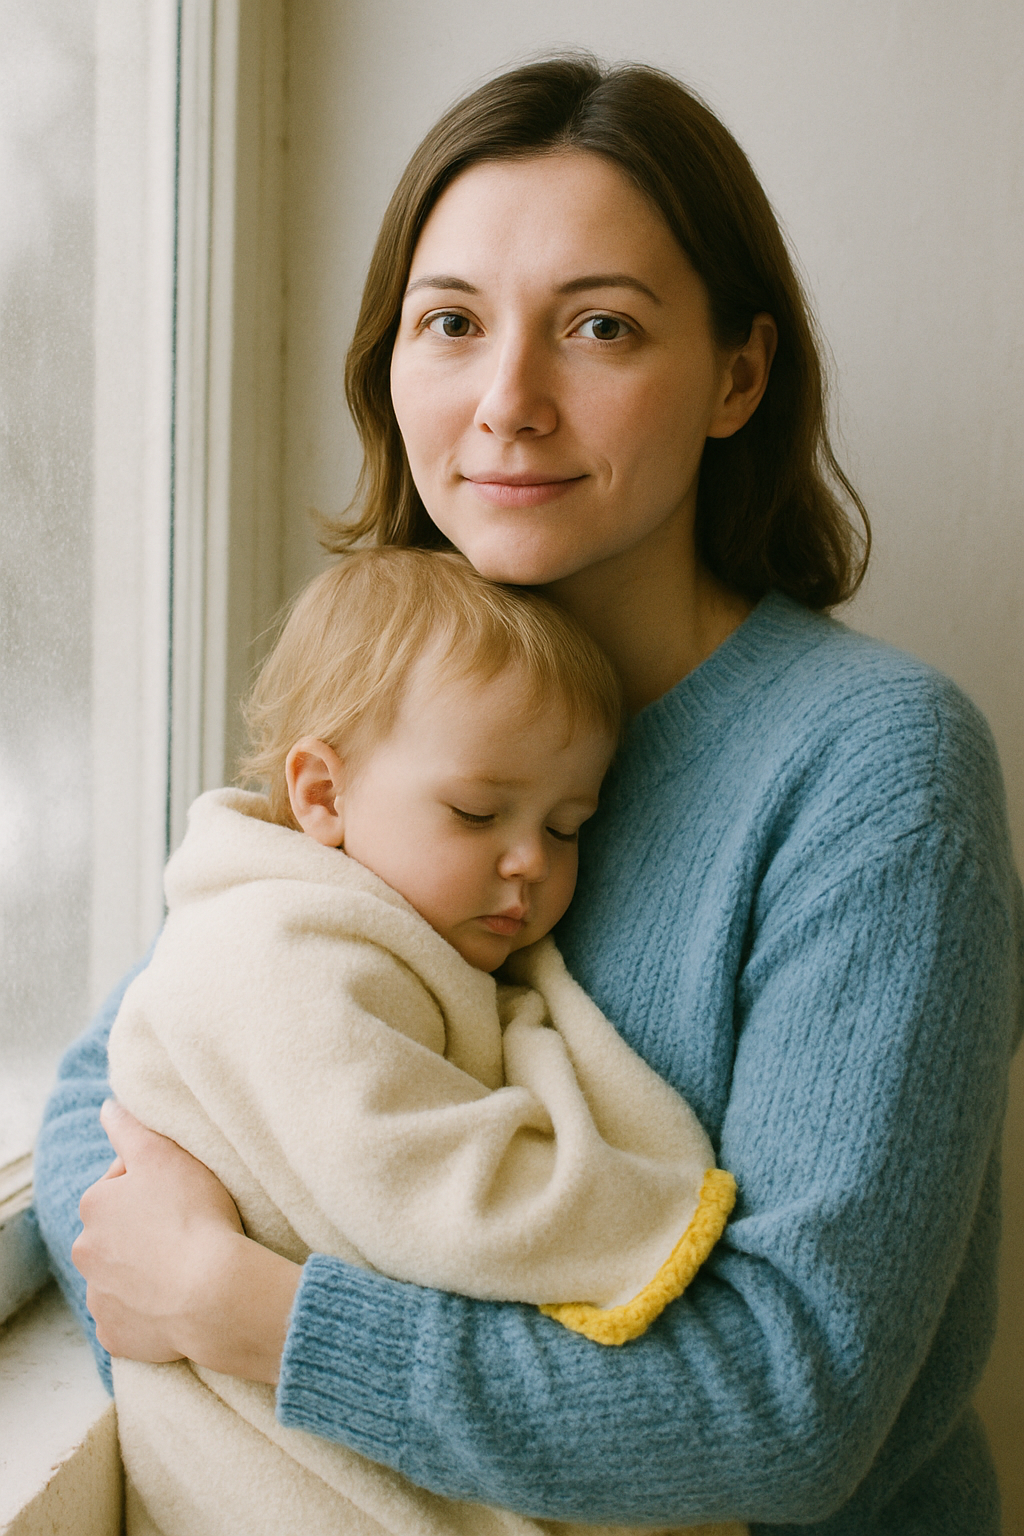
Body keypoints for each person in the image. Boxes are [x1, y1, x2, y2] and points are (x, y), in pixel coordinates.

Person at [37, 55, 1022, 1535]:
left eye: (601, 328)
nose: (507, 403)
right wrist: (162, 1275)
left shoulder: (879, 774)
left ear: (738, 378)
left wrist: (249, 1313)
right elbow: (109, 1099)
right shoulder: (390, 701)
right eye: (450, 324)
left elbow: (788, 1406)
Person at [108, 545, 739, 1535]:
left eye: (570, 825)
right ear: (320, 795)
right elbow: (407, 1173)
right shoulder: (274, 946)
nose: (530, 861)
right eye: (478, 812)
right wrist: (628, 1214)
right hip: (269, 1456)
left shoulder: (416, 940)